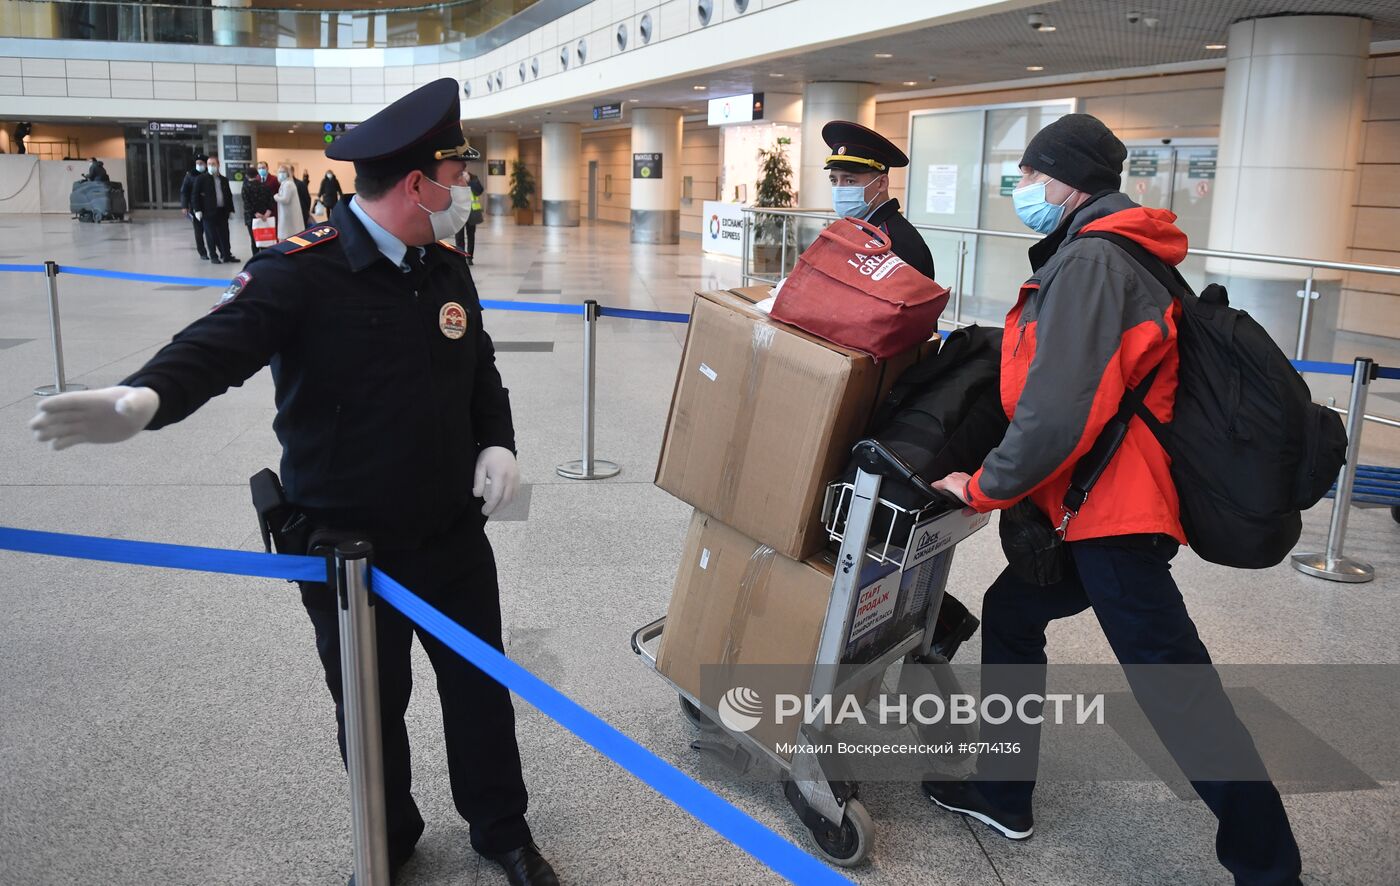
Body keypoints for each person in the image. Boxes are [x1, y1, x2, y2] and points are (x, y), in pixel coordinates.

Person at [29, 77, 558, 886]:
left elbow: (479, 369)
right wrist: (145, 398)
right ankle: (387, 838)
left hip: (452, 534)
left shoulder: (445, 268)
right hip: (351, 551)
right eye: (456, 175)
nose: (465, 188)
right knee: (370, 709)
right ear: (417, 184)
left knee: (481, 694)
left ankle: (500, 831)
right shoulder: (300, 273)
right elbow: (221, 343)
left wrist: (498, 443)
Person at [924, 114, 1303, 885]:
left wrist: (987, 484)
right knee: (1013, 611)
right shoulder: (1105, 249)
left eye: (1031, 176)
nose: (1022, 189)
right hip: (1096, 507)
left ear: (1068, 180)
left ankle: (1271, 870)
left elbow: (1062, 408)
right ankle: (1002, 791)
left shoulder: (1095, 261)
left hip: (1113, 517)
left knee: (1178, 692)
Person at [822, 120, 980, 661]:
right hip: (853, 393)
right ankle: (924, 625)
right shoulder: (855, 234)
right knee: (855, 525)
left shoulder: (903, 246)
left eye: (850, 176)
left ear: (879, 182)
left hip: (878, 403)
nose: (840, 185)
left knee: (866, 525)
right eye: (836, 174)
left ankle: (935, 622)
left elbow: (889, 338)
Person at [194, 155, 237, 264]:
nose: (211, 166)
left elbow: (228, 195)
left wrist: (231, 210)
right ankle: (213, 256)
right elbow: (195, 195)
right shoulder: (201, 179)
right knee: (211, 235)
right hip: (208, 212)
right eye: (209, 164)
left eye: (213, 164)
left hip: (222, 211)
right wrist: (197, 210)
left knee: (225, 234)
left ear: (218, 165)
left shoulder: (223, 180)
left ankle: (227, 255)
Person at [242, 161, 278, 256]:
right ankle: (266, 257)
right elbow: (271, 200)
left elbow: (247, 203)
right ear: (257, 174)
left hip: (252, 218)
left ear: (246, 176)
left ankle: (256, 258)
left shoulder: (246, 187)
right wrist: (267, 213)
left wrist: (255, 213)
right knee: (266, 239)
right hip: (266, 217)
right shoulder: (264, 186)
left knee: (254, 240)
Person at [179, 154, 210, 260]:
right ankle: (202, 252)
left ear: (206, 164)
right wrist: (184, 206)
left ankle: (214, 251)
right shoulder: (190, 175)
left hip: (210, 207)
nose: (199, 165)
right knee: (198, 231)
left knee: (212, 231)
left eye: (201, 163)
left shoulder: (209, 174)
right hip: (195, 207)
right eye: (197, 163)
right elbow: (184, 192)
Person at [454, 171, 484, 263]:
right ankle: (461, 257)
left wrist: (469, 181)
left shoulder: (474, 178)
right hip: (458, 212)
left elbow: (479, 191)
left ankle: (469, 257)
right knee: (459, 237)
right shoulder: (455, 178)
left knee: (471, 236)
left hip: (471, 212)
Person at [272, 164, 305, 242]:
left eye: (283, 172)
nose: (281, 174)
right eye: (280, 172)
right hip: (287, 215)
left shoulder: (288, 184)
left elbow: (285, 200)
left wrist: (276, 197)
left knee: (285, 238)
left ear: (288, 173)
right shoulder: (285, 183)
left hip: (288, 217)